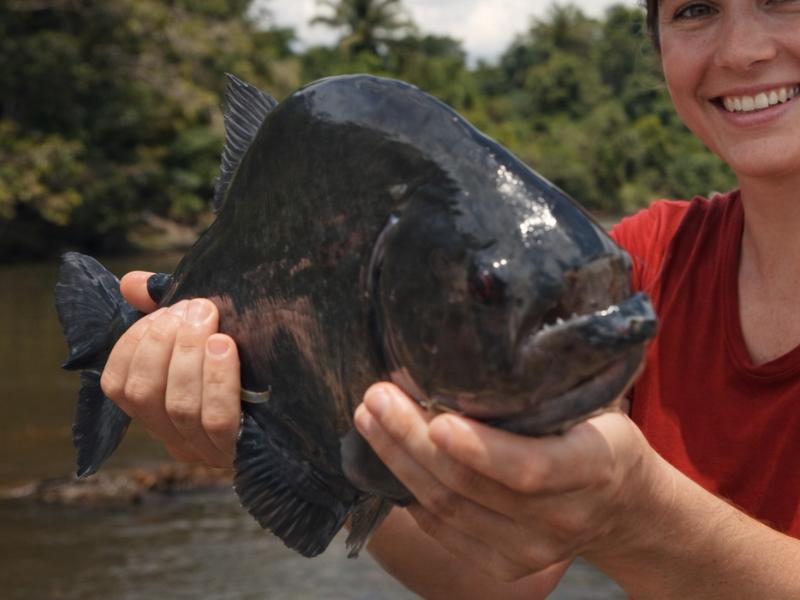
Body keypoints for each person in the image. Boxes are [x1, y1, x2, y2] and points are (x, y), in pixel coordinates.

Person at [99, 0, 800, 596]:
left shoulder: (594, 276)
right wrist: (293, 425)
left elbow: (617, 516)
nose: (742, 50)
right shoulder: (643, 262)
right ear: (659, 45)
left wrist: (634, 515)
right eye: (695, 9)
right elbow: (511, 575)